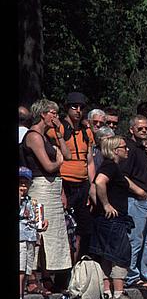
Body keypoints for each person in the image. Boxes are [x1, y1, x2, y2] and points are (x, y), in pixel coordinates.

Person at [19, 99, 72, 294]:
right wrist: (58, 162)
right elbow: (49, 166)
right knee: (39, 231)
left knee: (52, 234)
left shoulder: (47, 136)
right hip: (41, 186)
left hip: (53, 188)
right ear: (43, 114)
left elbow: (67, 155)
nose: (56, 117)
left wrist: (59, 134)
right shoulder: (34, 136)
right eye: (53, 113)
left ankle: (47, 275)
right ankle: (33, 278)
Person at [90, 135, 141, 299]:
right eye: (123, 147)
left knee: (107, 254)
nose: (127, 149)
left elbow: (92, 189)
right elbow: (99, 182)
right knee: (121, 253)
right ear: (114, 150)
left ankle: (106, 291)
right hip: (113, 219)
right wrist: (105, 205)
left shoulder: (110, 167)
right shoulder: (110, 166)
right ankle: (119, 293)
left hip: (106, 219)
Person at [52, 92, 96, 263]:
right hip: (65, 182)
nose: (78, 110)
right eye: (74, 107)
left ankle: (77, 265)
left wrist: (92, 186)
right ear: (67, 108)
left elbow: (90, 161)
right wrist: (61, 190)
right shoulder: (60, 129)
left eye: (81, 107)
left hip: (83, 183)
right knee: (64, 228)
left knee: (84, 229)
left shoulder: (86, 131)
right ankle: (63, 268)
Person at [120, 115, 147, 289]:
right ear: (131, 129)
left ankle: (146, 274)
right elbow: (123, 175)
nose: (144, 131)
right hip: (135, 200)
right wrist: (138, 191)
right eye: (139, 128)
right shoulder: (130, 149)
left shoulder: (141, 149)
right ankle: (131, 276)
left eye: (146, 128)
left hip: (146, 200)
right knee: (135, 240)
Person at [19, 166, 47, 299]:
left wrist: (42, 223)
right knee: (20, 271)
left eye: (25, 183)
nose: (23, 187)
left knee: (26, 270)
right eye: (20, 183)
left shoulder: (31, 201)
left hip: (30, 237)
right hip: (20, 238)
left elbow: (35, 219)